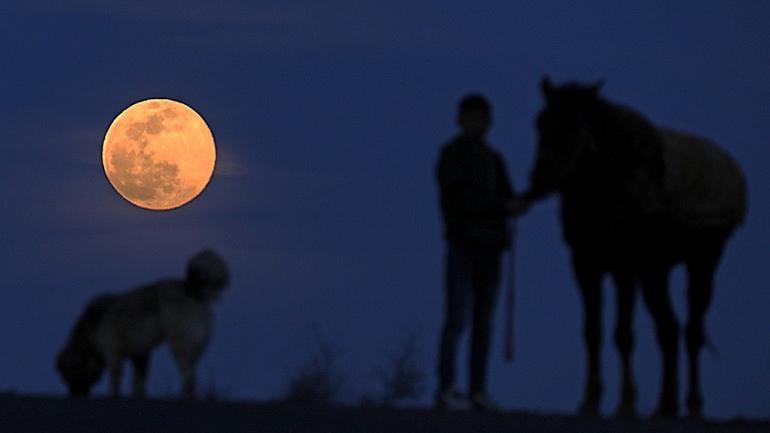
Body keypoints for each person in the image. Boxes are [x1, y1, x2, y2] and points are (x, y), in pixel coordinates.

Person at [435, 94, 528, 411]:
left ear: (489, 122)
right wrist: (504, 206)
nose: (478, 124)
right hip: (463, 245)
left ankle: (477, 390)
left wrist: (518, 203)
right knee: (457, 318)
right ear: (460, 120)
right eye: (471, 117)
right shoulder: (451, 155)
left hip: (491, 249)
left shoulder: (495, 159)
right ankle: (447, 388)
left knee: (483, 323)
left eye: (482, 118)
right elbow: (462, 199)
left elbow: (507, 194)